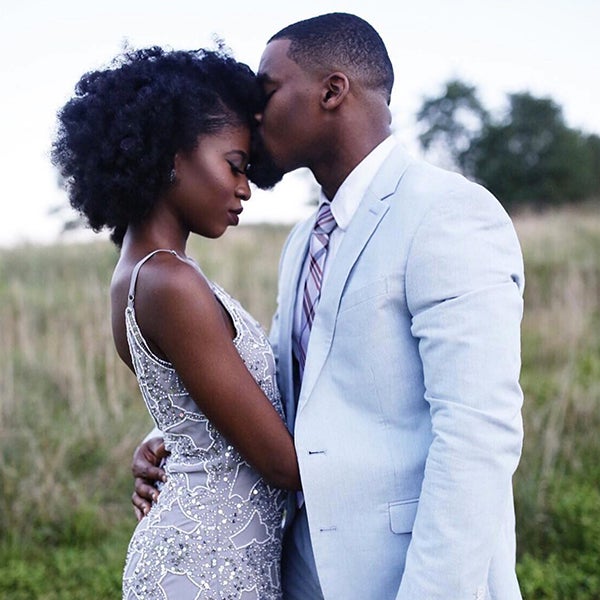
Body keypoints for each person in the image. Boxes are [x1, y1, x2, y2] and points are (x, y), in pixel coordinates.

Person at [132, 13, 525, 600]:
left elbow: (477, 432)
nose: (254, 114)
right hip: (300, 572)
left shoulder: (446, 212)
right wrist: (183, 433)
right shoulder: (303, 241)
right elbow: (289, 388)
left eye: (267, 92)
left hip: (406, 577)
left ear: (332, 91)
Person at [52, 45, 301, 599]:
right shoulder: (169, 281)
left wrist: (164, 437)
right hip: (203, 570)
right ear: (171, 155)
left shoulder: (144, 272)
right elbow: (284, 465)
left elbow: (194, 409)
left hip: (213, 558)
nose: (245, 188)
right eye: (235, 165)